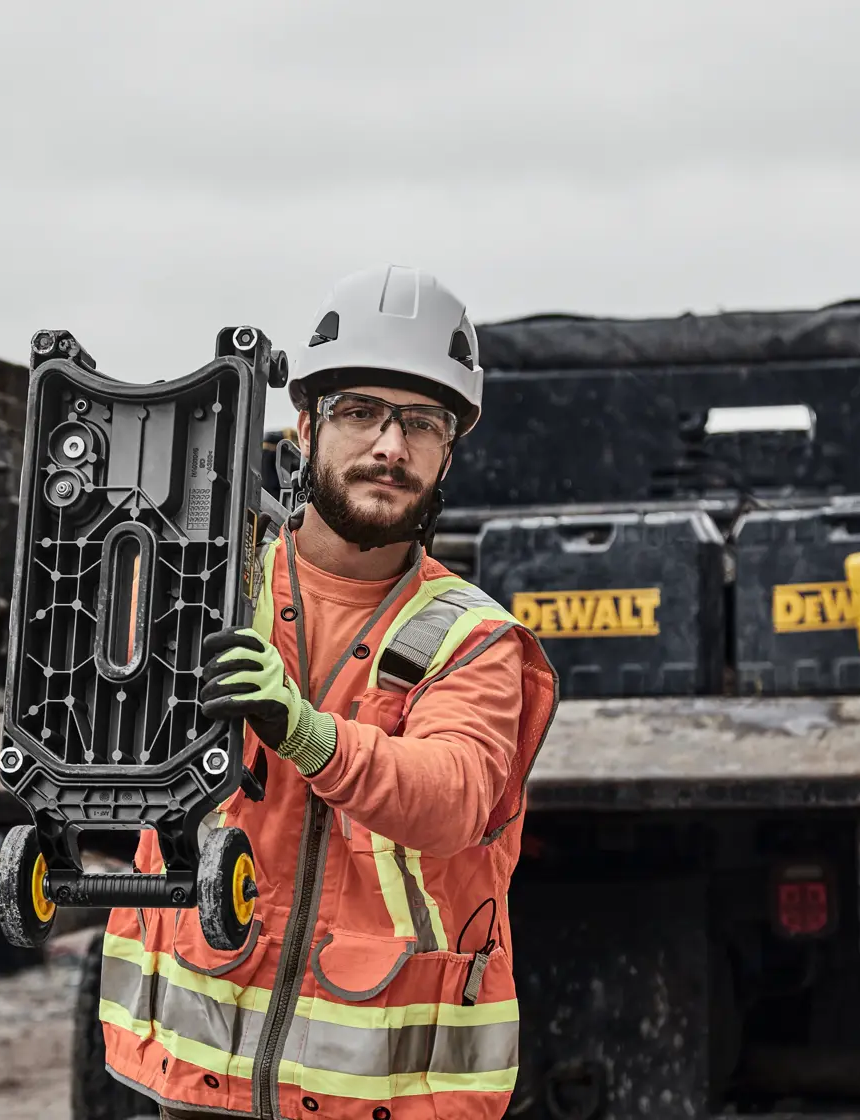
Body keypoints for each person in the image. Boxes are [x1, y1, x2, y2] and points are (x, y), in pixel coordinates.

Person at [98, 264, 558, 1120]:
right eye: (360, 413)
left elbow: (451, 796)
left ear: (449, 450)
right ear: (303, 427)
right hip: (204, 1073)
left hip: (390, 1094)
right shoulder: (207, 591)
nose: (390, 445)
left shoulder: (474, 637)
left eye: (422, 423)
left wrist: (302, 732)